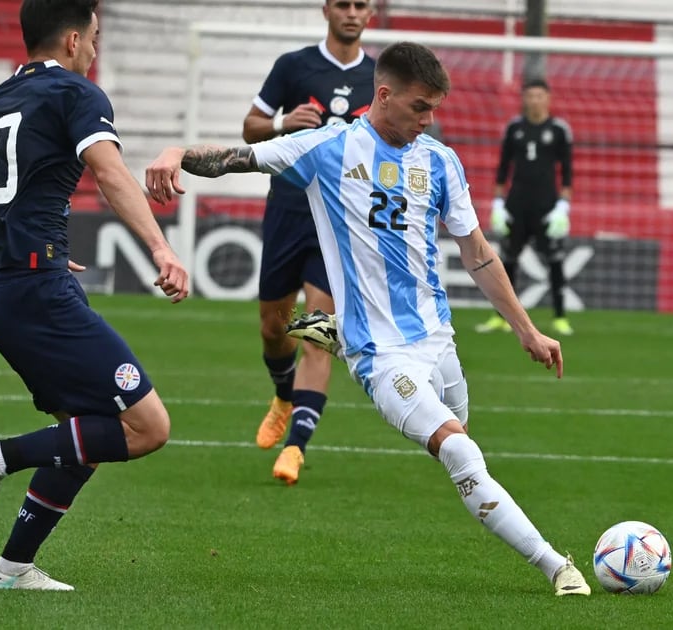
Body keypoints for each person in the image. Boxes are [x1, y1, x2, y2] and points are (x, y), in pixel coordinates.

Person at [145, 41, 592, 597]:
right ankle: (557, 567)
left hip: (439, 339)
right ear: (384, 96)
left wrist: (527, 329)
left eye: (434, 109)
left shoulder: (439, 160)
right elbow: (239, 158)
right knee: (458, 450)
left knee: (461, 434)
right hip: (382, 357)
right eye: (420, 108)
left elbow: (477, 252)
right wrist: (174, 152)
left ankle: (332, 328)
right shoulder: (328, 147)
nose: (429, 121)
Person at [0, 0, 189, 591]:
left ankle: (10, 570)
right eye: (94, 38)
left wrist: (37, 243)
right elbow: (110, 174)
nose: (94, 49)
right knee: (147, 427)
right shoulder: (77, 94)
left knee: (83, 435)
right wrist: (162, 250)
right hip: (38, 292)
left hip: (3, 291)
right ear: (71, 39)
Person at [243, 0, 376, 485]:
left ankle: (295, 447)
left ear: (371, 14)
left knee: (317, 331)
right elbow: (250, 127)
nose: (352, 13)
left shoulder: (381, 76)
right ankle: (283, 394)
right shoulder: (293, 66)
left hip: (340, 221)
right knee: (274, 328)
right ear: (327, 10)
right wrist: (282, 123)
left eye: (361, 5)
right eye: (343, 4)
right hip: (288, 211)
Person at [475, 78, 575, 336]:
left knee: (555, 261)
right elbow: (503, 167)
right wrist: (498, 203)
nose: (534, 101)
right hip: (516, 205)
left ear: (548, 99)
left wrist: (563, 206)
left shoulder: (559, 130)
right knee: (506, 262)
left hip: (547, 207)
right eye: (530, 96)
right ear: (524, 98)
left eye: (539, 96)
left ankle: (560, 316)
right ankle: (500, 317)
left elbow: (567, 172)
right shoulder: (514, 128)